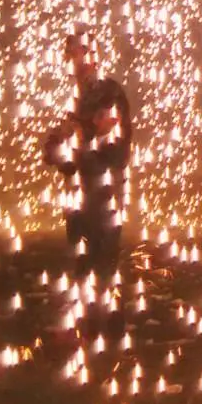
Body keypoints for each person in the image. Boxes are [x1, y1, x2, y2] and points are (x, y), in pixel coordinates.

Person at [42, 31, 134, 281]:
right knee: (82, 270)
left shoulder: (107, 92)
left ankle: (107, 316)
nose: (70, 58)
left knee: (102, 272)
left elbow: (113, 144)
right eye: (68, 52)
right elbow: (62, 144)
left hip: (102, 194)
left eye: (75, 52)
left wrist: (81, 134)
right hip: (78, 195)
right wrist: (57, 149)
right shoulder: (73, 97)